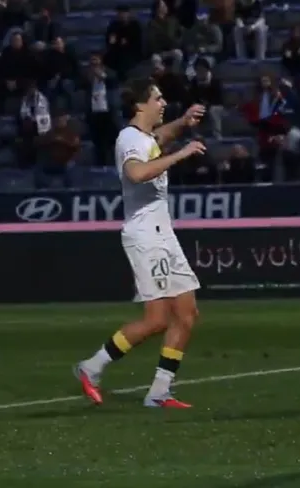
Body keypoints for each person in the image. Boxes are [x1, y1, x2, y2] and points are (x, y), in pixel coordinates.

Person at [73, 77, 207, 409]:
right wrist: (181, 154)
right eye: (158, 99)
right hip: (145, 235)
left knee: (187, 313)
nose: (163, 103)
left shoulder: (145, 137)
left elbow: (159, 138)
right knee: (157, 318)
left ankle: (159, 392)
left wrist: (183, 121)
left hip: (164, 233)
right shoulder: (129, 139)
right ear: (139, 105)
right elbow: (136, 173)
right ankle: (91, 367)